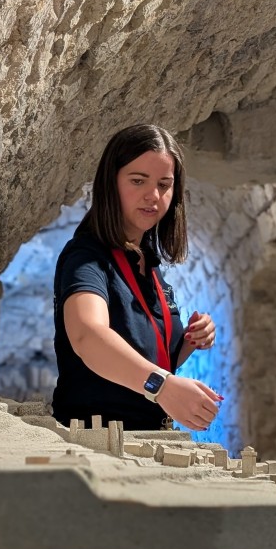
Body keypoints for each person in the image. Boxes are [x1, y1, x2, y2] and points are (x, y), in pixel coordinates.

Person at [52, 124, 221, 434]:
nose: (152, 195)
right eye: (138, 180)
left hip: (145, 436)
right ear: (110, 182)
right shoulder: (87, 256)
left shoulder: (147, 262)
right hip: (96, 441)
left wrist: (189, 342)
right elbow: (87, 335)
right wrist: (164, 386)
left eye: (164, 184)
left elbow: (148, 355)